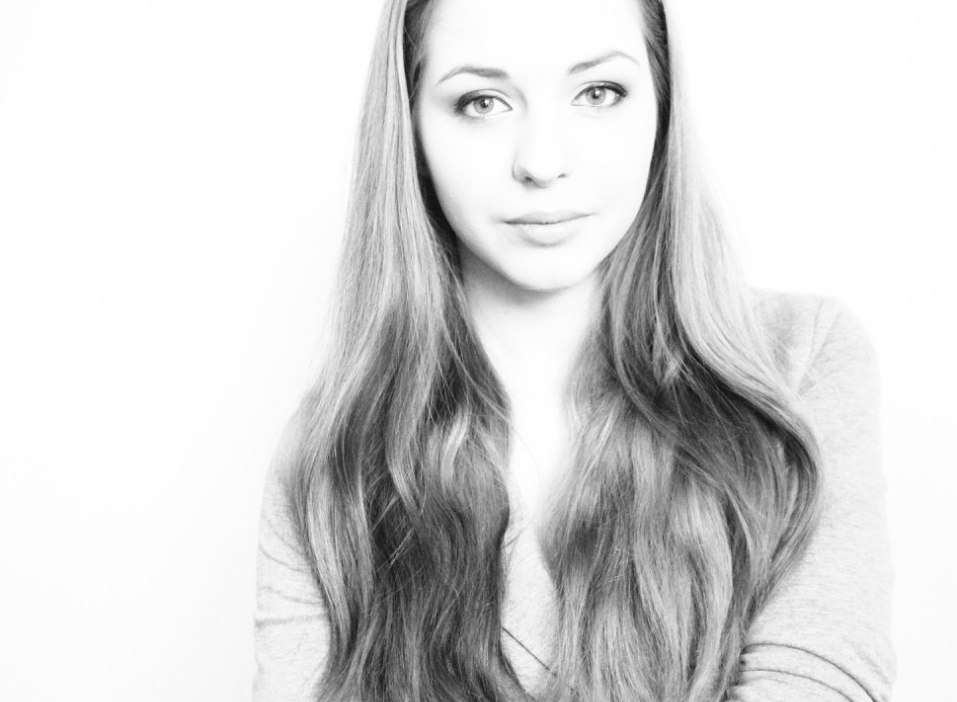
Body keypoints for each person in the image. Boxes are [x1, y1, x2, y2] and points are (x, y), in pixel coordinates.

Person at [253, 0, 895, 699]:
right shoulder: (332, 457)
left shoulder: (798, 362)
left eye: (598, 92)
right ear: (410, 129)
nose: (542, 161)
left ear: (661, 109)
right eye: (481, 102)